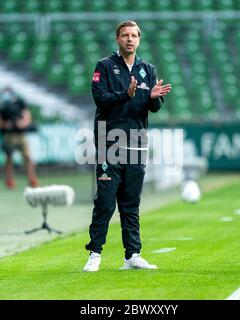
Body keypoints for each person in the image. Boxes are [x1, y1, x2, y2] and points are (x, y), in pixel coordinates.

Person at [83, 21, 172, 272]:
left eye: (134, 35)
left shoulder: (147, 69)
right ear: (117, 39)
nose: (130, 39)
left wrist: (155, 99)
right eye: (125, 35)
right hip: (109, 141)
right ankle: (95, 253)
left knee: (131, 203)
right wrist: (127, 94)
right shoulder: (105, 66)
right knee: (106, 200)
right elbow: (100, 99)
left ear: (139, 40)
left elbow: (153, 107)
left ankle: (132, 255)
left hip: (136, 143)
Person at [0, 87, 38, 189]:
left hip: (21, 135)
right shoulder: (2, 106)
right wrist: (6, 125)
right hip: (9, 135)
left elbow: (27, 115)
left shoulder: (20, 103)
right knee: (9, 159)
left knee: (27, 157)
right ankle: (9, 181)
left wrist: (22, 123)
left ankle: (32, 179)